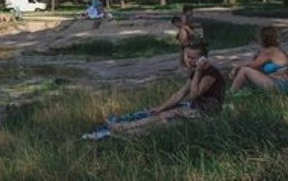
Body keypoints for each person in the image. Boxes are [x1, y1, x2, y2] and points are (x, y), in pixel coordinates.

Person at [83, 40, 225, 139]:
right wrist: (160, 108)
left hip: (205, 114)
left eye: (192, 57)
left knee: (164, 119)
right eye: (186, 56)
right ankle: (125, 128)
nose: (187, 60)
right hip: (195, 109)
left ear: (202, 59)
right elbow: (180, 94)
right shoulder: (196, 72)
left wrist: (198, 72)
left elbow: (193, 95)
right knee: (160, 114)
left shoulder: (210, 74)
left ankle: (125, 130)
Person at [229, 26, 288, 95]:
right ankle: (244, 91)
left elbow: (252, 65)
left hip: (279, 84)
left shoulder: (268, 51)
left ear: (262, 39)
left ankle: (230, 93)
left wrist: (236, 67)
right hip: (282, 83)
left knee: (244, 70)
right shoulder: (279, 50)